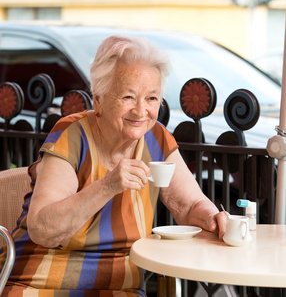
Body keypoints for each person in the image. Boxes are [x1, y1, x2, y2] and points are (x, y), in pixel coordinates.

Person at [0, 35, 226, 296]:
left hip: (120, 286)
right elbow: (43, 230)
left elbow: (189, 205)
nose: (141, 111)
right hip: (40, 279)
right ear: (98, 100)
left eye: (151, 98)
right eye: (128, 97)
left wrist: (213, 218)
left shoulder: (157, 139)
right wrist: (107, 186)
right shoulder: (72, 135)